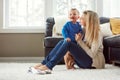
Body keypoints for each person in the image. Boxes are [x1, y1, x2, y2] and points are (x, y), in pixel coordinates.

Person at [29, 10, 105, 74]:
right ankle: (44, 63)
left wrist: (80, 41)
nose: (79, 19)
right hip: (85, 60)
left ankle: (48, 66)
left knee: (68, 43)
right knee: (63, 41)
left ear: (89, 21)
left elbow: (92, 54)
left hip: (92, 63)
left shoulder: (97, 34)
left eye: (82, 18)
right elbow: (79, 46)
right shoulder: (84, 30)